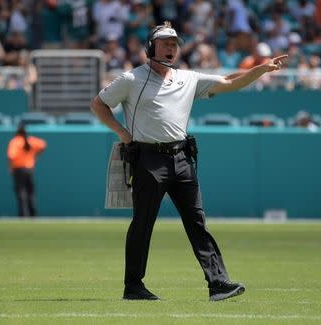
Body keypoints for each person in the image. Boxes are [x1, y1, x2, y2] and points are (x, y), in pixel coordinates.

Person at [90, 21, 288, 301]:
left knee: (197, 221)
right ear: (151, 47)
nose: (171, 48)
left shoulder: (187, 78)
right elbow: (98, 104)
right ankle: (133, 286)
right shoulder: (132, 79)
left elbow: (230, 82)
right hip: (147, 158)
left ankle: (218, 284)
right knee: (143, 223)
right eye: (165, 43)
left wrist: (262, 68)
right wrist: (123, 133)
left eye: (175, 44)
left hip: (182, 157)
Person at [7, 124, 47, 217]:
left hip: (18, 169)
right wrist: (35, 154)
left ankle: (24, 214)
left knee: (21, 192)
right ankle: (33, 213)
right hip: (29, 169)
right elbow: (43, 144)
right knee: (30, 192)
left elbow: (11, 156)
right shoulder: (30, 140)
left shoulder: (15, 141)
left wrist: (10, 167)